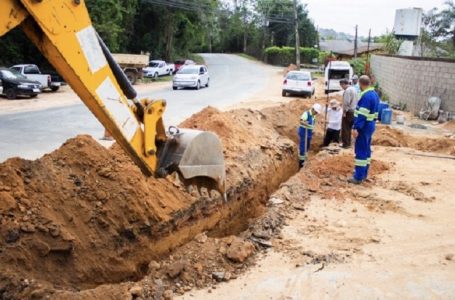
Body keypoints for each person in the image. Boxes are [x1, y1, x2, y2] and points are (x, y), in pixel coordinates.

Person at [348, 75, 380, 184]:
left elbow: (362, 114)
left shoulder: (366, 96)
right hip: (370, 125)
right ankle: (364, 173)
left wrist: (356, 128)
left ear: (361, 84)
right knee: (366, 150)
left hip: (364, 126)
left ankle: (358, 177)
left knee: (360, 150)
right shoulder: (375, 94)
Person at [298, 103, 322, 168]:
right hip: (303, 132)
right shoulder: (306, 114)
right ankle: (301, 162)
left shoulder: (313, 115)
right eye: (316, 112)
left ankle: (305, 157)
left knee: (307, 146)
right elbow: (301, 121)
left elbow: (311, 125)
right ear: (313, 109)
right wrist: (305, 123)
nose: (316, 113)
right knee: (303, 147)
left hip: (308, 133)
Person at [340, 79, 359, 148]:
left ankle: (346, 144)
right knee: (350, 128)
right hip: (354, 111)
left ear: (343, 84)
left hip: (349, 112)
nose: (341, 87)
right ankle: (349, 143)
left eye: (341, 85)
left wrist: (344, 111)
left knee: (345, 128)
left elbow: (346, 102)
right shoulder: (354, 89)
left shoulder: (347, 91)